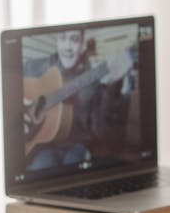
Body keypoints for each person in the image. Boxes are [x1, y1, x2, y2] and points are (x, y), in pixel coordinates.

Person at [23, 29, 133, 170]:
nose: (68, 47)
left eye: (74, 40)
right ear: (57, 41)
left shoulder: (92, 81)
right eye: (62, 38)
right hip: (43, 147)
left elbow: (101, 131)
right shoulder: (34, 68)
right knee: (38, 173)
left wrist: (114, 87)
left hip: (77, 147)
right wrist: (17, 109)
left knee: (75, 173)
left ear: (82, 44)